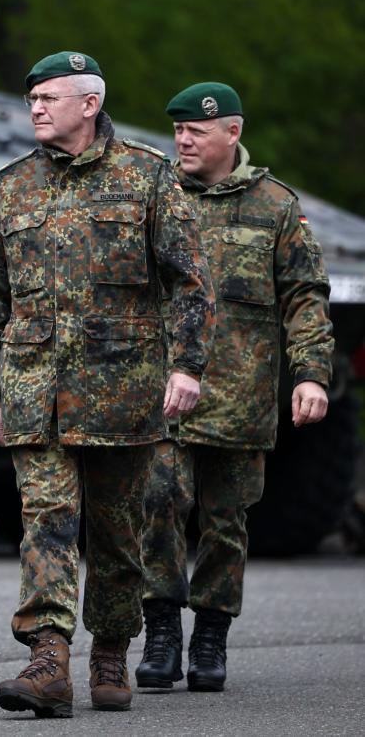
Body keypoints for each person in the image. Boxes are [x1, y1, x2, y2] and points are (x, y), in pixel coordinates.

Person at [0, 52, 215, 717]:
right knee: (46, 521)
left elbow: (190, 280)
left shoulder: (147, 175)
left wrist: (187, 366)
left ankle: (110, 652)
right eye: (32, 100)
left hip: (122, 391)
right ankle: (48, 657)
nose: (36, 108)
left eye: (49, 97)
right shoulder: (12, 185)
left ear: (89, 104)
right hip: (35, 393)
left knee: (116, 532)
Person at [135, 82, 333, 693]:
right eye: (178, 130)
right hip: (164, 393)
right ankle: (162, 629)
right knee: (159, 504)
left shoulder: (275, 206)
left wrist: (311, 374)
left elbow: (304, 298)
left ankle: (212, 635)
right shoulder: (156, 196)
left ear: (233, 133)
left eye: (196, 130)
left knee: (226, 521)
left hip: (241, 398)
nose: (183, 139)